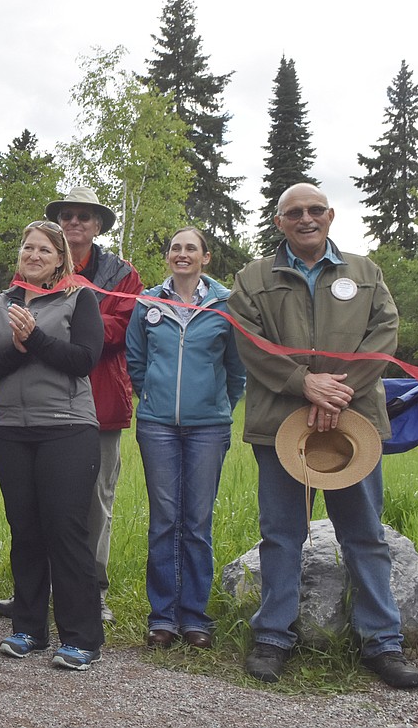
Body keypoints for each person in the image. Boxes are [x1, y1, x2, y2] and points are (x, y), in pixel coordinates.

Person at [228, 182, 418, 689]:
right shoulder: (253, 278)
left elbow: (384, 335)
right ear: (279, 222)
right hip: (280, 428)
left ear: (331, 215)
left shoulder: (365, 272)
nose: (307, 218)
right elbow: (249, 342)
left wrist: (336, 393)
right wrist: (303, 383)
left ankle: (382, 641)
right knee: (281, 534)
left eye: (316, 210)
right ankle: (273, 636)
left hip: (352, 424)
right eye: (295, 212)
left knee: (364, 535)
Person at [0, 220, 104, 671]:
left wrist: (36, 337)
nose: (33, 255)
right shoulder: (0, 302)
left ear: (60, 258)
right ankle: (28, 628)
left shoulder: (78, 297)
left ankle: (82, 637)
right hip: (10, 427)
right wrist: (23, 347)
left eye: (44, 250)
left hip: (68, 426)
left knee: (65, 531)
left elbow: (85, 360)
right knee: (25, 529)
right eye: (28, 247)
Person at [125, 227, 245, 649]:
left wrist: (217, 406)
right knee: (164, 521)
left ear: (205, 257)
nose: (182, 254)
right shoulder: (148, 302)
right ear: (168, 256)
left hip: (209, 427)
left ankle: (194, 617)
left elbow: (237, 370)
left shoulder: (226, 304)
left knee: (196, 522)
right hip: (157, 425)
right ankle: (162, 617)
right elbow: (136, 362)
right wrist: (155, 396)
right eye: (175, 247)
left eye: (190, 248)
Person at [44, 186, 140, 623]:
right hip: (46, 400)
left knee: (97, 500)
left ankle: (91, 588)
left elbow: (119, 330)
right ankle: (38, 587)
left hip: (99, 402)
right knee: (44, 498)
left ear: (98, 225)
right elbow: (19, 320)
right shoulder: (39, 261)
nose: (74, 223)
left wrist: (65, 314)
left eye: (84, 217)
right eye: (67, 216)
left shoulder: (123, 273)